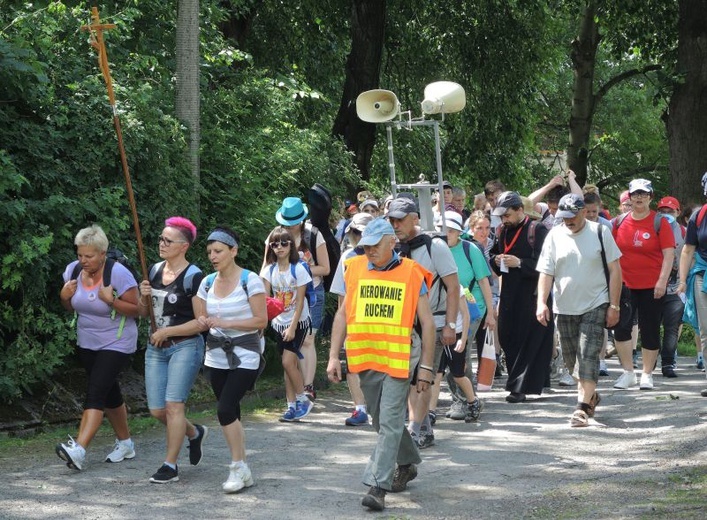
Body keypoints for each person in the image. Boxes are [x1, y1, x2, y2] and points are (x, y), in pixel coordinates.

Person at [326, 218, 436, 512]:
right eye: (365, 246)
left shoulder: (412, 273)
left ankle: (378, 485)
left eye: (375, 246)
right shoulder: (354, 268)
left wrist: (426, 367)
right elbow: (342, 315)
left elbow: (427, 323)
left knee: (389, 421)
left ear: (392, 243)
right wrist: (334, 355)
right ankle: (407, 462)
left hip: (399, 359)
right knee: (378, 419)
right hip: (366, 358)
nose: (369, 251)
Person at [56, 225, 139, 471]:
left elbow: (139, 310)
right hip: (87, 341)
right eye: (80, 254)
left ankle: (79, 450)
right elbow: (70, 307)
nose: (83, 261)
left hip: (117, 341)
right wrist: (64, 296)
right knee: (109, 392)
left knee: (95, 392)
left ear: (102, 253)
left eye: (89, 256)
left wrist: (111, 300)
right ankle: (126, 444)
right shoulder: (72, 270)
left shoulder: (119, 273)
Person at [536, 194, 622, 426]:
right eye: (564, 217)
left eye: (573, 216)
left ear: (584, 211)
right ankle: (591, 396)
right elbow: (546, 272)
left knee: (587, 355)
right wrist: (541, 302)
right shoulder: (554, 235)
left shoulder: (600, 232)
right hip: (564, 307)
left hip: (596, 302)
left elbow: (615, 270)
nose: (569, 221)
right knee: (572, 361)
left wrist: (614, 305)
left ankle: (581, 408)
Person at [195, 226, 268, 493]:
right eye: (209, 252)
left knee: (224, 410)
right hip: (215, 356)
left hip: (246, 354)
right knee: (232, 412)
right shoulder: (206, 282)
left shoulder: (251, 280)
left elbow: (262, 320)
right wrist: (203, 321)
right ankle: (243, 467)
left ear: (233, 251)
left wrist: (227, 322)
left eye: (218, 251)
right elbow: (202, 318)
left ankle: (237, 467)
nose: (213, 256)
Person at [138, 217, 208, 483]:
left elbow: (201, 322)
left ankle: (170, 465)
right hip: (156, 348)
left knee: (173, 406)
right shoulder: (154, 270)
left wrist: (168, 332)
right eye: (160, 239)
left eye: (168, 240)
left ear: (184, 246)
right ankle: (194, 433)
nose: (161, 244)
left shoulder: (194, 276)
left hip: (185, 347)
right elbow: (144, 313)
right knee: (157, 410)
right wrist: (142, 295)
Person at [387, 196, 460, 449]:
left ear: (415, 219)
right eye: (392, 220)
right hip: (403, 326)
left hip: (434, 322)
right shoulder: (391, 248)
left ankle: (414, 429)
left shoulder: (435, 247)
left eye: (400, 220)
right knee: (408, 377)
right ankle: (423, 428)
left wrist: (450, 325)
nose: (395, 225)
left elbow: (453, 287)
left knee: (423, 376)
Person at [489, 191, 554, 403]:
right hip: (509, 294)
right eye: (501, 216)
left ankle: (518, 388)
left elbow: (549, 265)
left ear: (519, 210)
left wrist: (521, 263)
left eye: (507, 215)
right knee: (507, 337)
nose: (503, 220)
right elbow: (493, 254)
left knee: (529, 340)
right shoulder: (501, 231)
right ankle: (535, 380)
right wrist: (496, 260)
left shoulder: (538, 229)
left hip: (534, 295)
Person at [611, 179, 675, 390]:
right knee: (621, 328)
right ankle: (628, 373)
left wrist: (662, 281)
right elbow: (611, 256)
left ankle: (647, 373)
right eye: (635, 194)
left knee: (650, 329)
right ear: (629, 197)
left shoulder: (660, 222)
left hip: (652, 286)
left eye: (644, 194)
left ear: (651, 197)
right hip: (624, 285)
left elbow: (668, 255)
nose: (639, 197)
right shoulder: (619, 222)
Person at [265, 197, 330, 401]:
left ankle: (308, 387)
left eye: (293, 222)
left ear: (301, 220)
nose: (290, 226)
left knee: (307, 340)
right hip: (282, 298)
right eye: (287, 221)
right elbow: (265, 267)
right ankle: (296, 391)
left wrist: (298, 270)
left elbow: (325, 268)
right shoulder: (275, 237)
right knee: (289, 347)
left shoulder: (313, 235)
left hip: (311, 293)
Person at [437, 210, 494, 420]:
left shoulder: (471, 250)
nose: (446, 235)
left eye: (450, 231)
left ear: (458, 232)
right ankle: (464, 399)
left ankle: (464, 401)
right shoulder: (435, 250)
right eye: (442, 231)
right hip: (445, 310)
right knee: (447, 358)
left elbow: (483, 281)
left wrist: (491, 313)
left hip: (471, 309)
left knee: (459, 356)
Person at [260, 226, 314, 422]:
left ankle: (303, 399)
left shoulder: (298, 268)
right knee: (288, 365)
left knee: (286, 362)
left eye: (284, 243)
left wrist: (292, 327)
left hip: (298, 322)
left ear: (291, 245)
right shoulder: (269, 270)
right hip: (279, 323)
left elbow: (300, 301)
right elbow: (266, 300)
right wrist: (262, 324)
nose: (280, 247)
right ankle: (291, 406)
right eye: (275, 244)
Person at [329, 211, 375, 425]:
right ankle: (360, 408)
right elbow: (342, 296)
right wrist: (343, 328)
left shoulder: (385, 255)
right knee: (353, 365)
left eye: (362, 232)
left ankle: (380, 405)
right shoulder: (347, 257)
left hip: (379, 320)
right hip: (355, 317)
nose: (358, 237)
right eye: (356, 232)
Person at [679, 172, 707, 397]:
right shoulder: (699, 216)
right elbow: (688, 250)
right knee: (706, 329)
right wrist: (681, 280)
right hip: (702, 274)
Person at [656, 196, 686, 378]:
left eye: (670, 211)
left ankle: (668, 363)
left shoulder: (684, 232)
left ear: (678, 212)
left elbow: (688, 257)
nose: (666, 215)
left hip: (675, 287)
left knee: (672, 327)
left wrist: (684, 282)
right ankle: (650, 361)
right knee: (650, 325)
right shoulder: (654, 228)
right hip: (653, 285)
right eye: (662, 211)